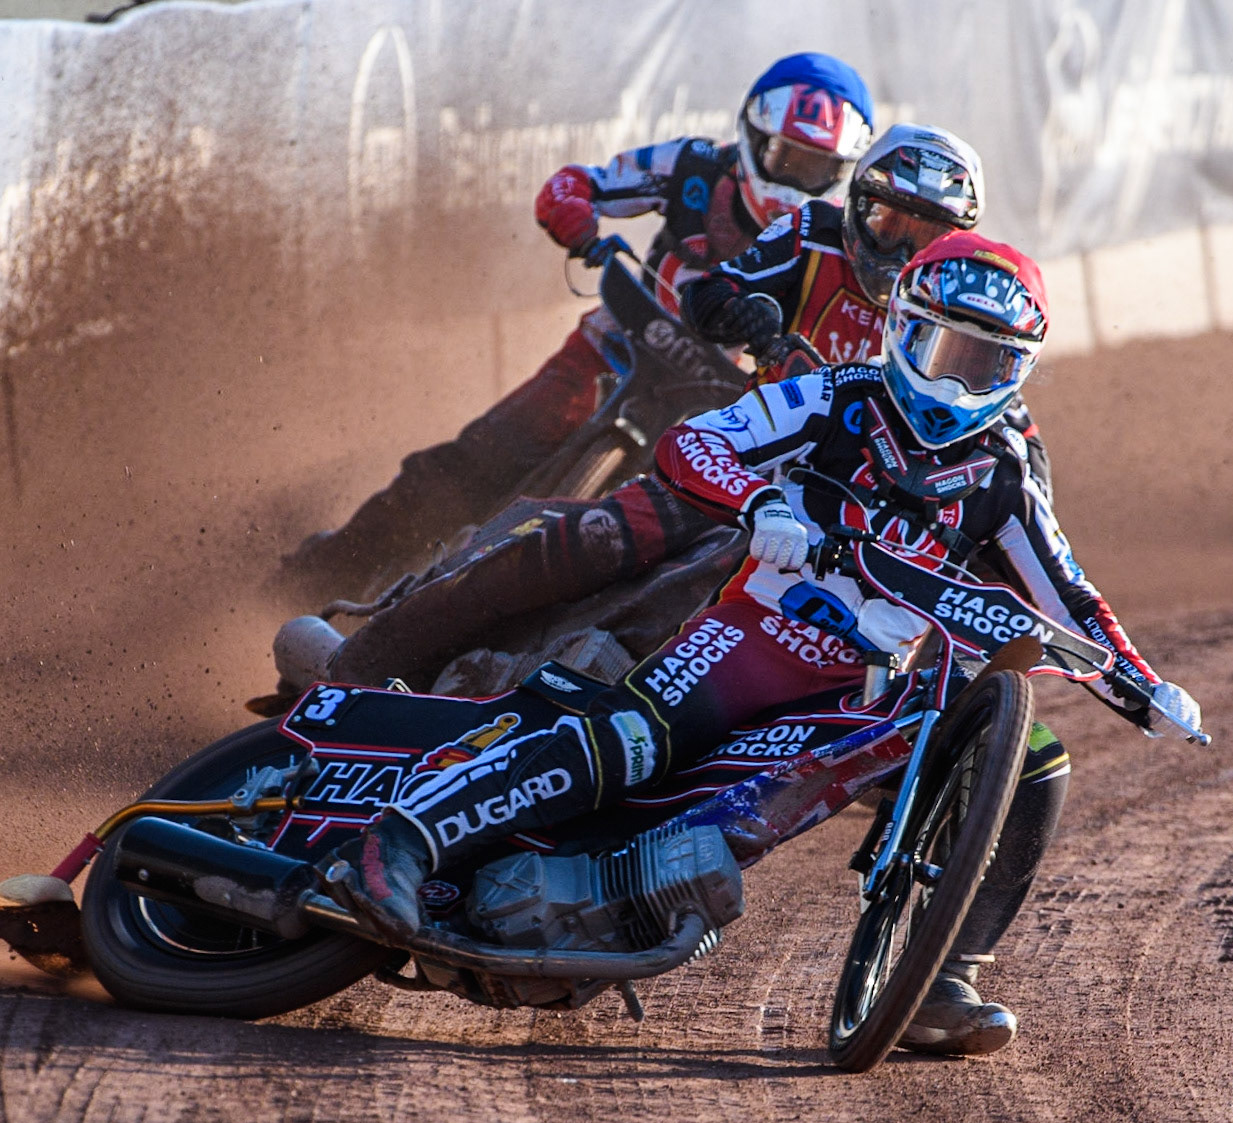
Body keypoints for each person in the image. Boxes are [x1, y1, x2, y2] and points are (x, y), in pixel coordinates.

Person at [333, 230, 1207, 1057]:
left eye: (988, 363)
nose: (958, 381)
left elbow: (1071, 596)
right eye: (947, 351)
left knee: (1032, 763)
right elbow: (696, 442)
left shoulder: (1008, 472)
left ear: (1021, 370)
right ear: (904, 329)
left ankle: (941, 981)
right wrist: (762, 506)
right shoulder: (837, 394)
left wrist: (1146, 686)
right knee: (631, 742)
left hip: (872, 690)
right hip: (758, 632)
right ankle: (403, 840)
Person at [291, 123, 1046, 697]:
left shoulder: (969, 305)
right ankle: (359, 668)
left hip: (860, 536)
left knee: (941, 661)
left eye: (929, 233)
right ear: (856, 205)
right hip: (740, 476)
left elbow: (1017, 451)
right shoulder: (811, 235)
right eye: (889, 221)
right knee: (583, 537)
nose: (903, 244)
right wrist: (750, 313)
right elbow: (707, 292)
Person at [279, 53, 875, 603]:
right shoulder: (691, 165)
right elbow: (573, 184)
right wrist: (579, 223)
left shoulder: (831, 239)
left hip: (720, 409)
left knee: (663, 550)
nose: (797, 177)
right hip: (614, 346)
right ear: (753, 138)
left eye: (818, 167)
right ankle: (316, 576)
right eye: (786, 157)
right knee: (472, 461)